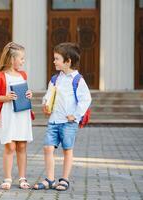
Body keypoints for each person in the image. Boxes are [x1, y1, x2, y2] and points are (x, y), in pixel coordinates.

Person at [33, 42, 91, 191]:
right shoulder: (55, 79)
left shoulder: (77, 80)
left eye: (57, 58)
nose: (54, 61)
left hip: (68, 122)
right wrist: (45, 104)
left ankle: (64, 179)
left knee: (67, 149)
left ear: (68, 61)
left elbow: (86, 99)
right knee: (47, 148)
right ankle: (50, 179)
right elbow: (48, 95)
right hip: (53, 120)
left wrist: (76, 115)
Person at [0, 42, 34, 190]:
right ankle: (7, 178)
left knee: (22, 145)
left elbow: (25, 92)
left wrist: (29, 94)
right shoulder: (0, 76)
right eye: (21, 58)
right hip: (8, 115)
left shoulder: (23, 75)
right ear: (11, 59)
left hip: (22, 114)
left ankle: (22, 178)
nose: (23, 61)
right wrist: (6, 97)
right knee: (10, 146)